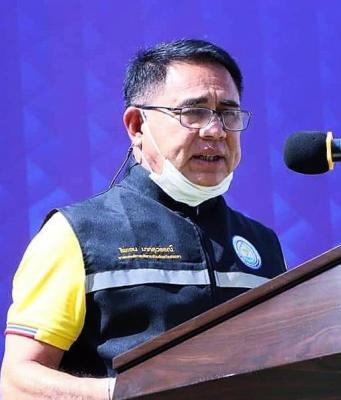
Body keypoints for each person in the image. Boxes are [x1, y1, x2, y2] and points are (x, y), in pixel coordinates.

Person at [0, 39, 286, 399]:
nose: (215, 131)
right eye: (193, 112)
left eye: (228, 114)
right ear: (137, 126)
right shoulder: (76, 234)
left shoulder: (262, 244)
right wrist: (124, 393)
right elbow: (17, 383)